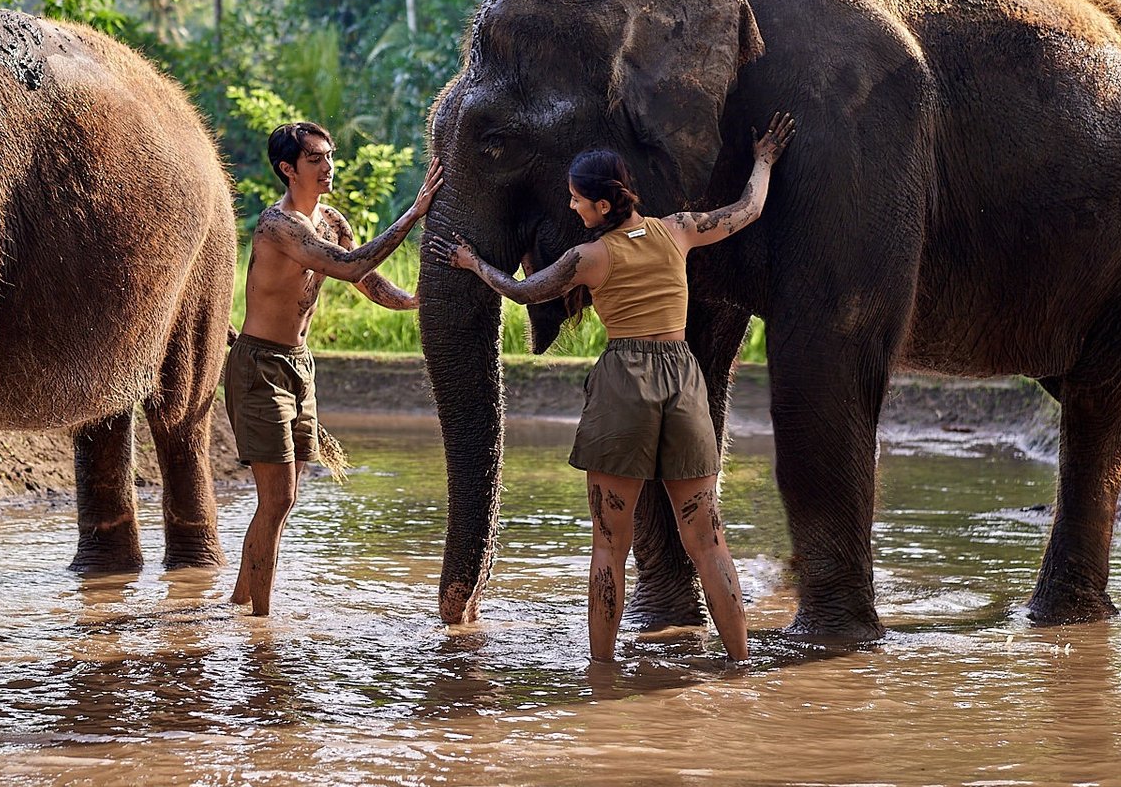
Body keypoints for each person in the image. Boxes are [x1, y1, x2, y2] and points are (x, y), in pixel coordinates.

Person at [441, 114, 797, 665]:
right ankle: (740, 664)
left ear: (603, 205)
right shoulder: (677, 229)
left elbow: (524, 290)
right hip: (683, 379)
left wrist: (473, 263)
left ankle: (601, 673)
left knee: (610, 544)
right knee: (708, 540)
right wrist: (765, 160)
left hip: (624, 383)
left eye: (577, 200)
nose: (572, 208)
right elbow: (748, 209)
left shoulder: (589, 258)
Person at [228, 121, 443, 615]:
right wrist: (414, 214)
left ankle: (241, 601)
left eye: (329, 157)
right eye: (315, 160)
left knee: (287, 497)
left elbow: (361, 277)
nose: (328, 167)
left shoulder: (334, 221)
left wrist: (410, 301)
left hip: (301, 366)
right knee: (277, 499)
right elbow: (346, 267)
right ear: (288, 169)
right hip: (260, 364)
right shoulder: (277, 225)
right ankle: (260, 626)